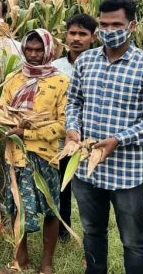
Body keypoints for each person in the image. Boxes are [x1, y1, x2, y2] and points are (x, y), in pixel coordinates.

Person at [67, 0, 143, 274]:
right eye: (104, 24)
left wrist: (118, 140)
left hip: (128, 174)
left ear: (132, 26)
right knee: (92, 232)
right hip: (87, 171)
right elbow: (74, 103)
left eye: (117, 25)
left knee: (132, 240)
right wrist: (72, 130)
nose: (109, 31)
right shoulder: (86, 61)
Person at [0, 29, 68, 274]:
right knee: (15, 206)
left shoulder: (60, 82)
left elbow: (63, 125)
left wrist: (26, 133)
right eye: (28, 49)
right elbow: (1, 114)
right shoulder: (13, 79)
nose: (32, 55)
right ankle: (21, 259)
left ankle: (47, 263)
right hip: (15, 156)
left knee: (50, 208)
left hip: (44, 156)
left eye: (38, 50)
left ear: (49, 51)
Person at [51, 13, 98, 242]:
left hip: (92, 141)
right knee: (63, 188)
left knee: (90, 191)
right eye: (73, 33)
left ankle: (93, 235)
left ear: (93, 37)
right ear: (65, 35)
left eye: (83, 34)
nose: (77, 38)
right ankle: (63, 232)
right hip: (63, 140)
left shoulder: (100, 65)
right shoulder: (55, 67)